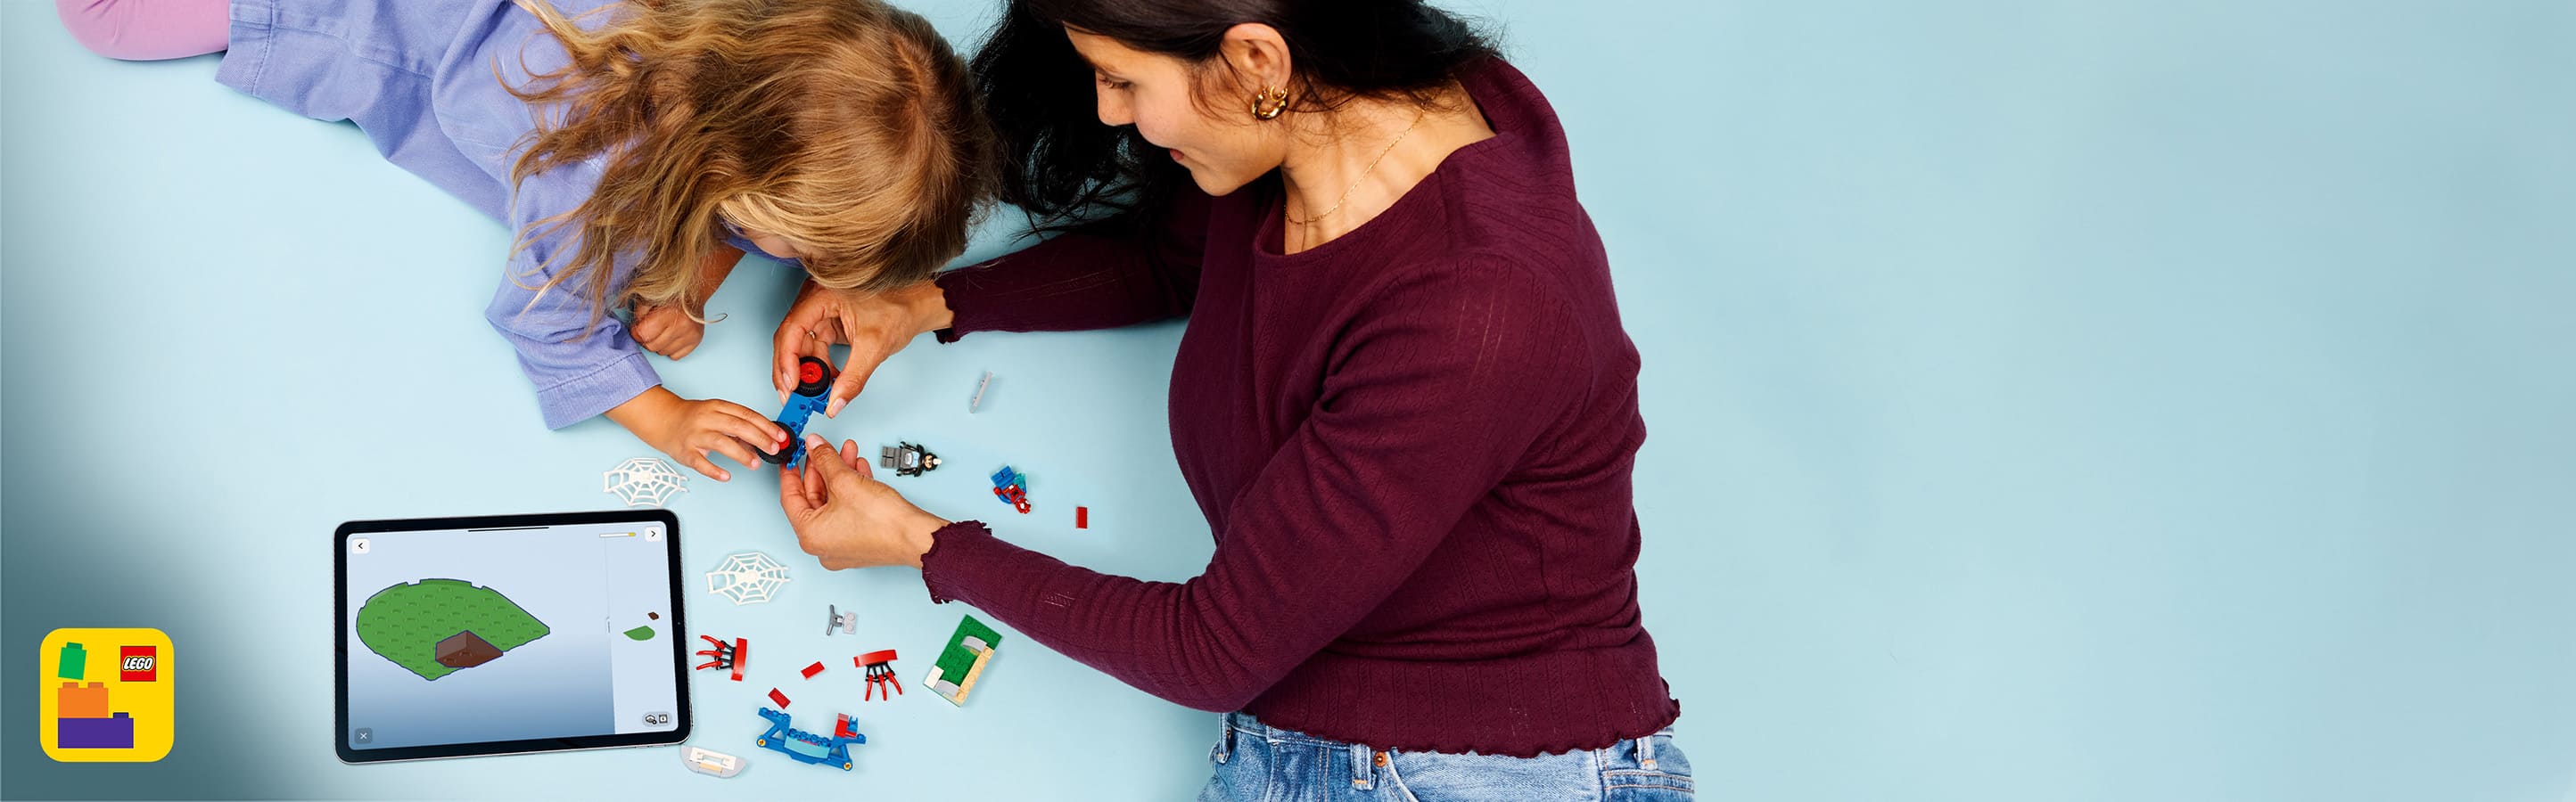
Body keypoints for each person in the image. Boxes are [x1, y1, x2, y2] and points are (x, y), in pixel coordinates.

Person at [774, 0, 1692, 798]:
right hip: (1320, 750)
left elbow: (1212, 649)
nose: (1108, 110)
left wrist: (917, 542)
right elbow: (1181, 261)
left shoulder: (1476, 309)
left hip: (1473, 775)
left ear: (1256, 60)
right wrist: (921, 302)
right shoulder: (1331, 118)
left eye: (1122, 80)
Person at [57, 0, 991, 480]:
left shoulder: (773, 48)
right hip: (358, 22)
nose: (811, 272)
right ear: (735, 184)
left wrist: (706, 271)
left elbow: (763, 176)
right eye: (808, 252)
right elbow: (542, 322)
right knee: (104, 20)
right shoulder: (601, 192)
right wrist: (663, 416)